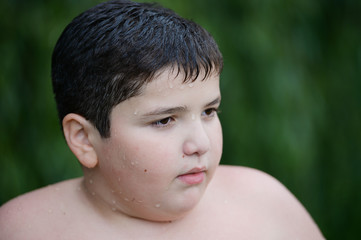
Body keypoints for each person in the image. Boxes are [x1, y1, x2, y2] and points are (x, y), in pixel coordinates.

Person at [0, 0, 324, 239]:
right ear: (84, 139)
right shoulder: (22, 229)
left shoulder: (262, 202)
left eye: (209, 112)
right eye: (164, 120)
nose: (200, 144)